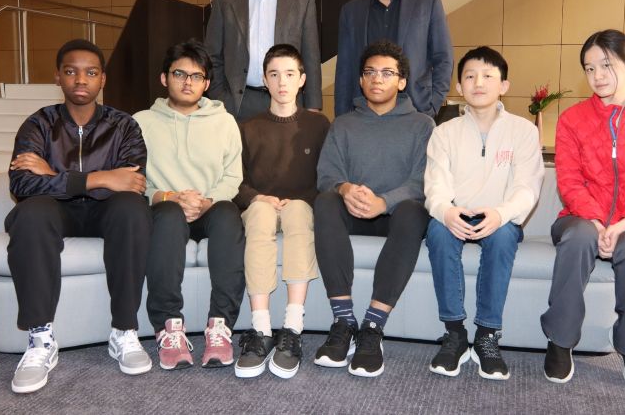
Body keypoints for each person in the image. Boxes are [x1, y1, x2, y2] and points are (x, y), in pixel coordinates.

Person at [7, 39, 152, 393]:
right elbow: (22, 183)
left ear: (103, 79)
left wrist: (53, 174)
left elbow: (131, 183)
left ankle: (124, 331)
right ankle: (40, 339)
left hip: (107, 212)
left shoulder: (124, 126)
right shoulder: (38, 124)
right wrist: (98, 179)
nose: (81, 80)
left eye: (91, 72)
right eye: (71, 71)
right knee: (31, 212)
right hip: (55, 211)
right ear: (58, 77)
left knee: (132, 208)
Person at [540, 29, 625, 389]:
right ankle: (560, 340)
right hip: (579, 217)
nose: (597, 76)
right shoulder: (572, 120)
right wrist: (599, 223)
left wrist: (624, 224)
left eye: (606, 65)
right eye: (589, 68)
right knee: (579, 237)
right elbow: (569, 182)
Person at [313, 40, 434, 377]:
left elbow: (423, 180)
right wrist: (345, 188)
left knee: (413, 211)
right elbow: (327, 175)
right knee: (325, 201)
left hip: (396, 219)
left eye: (386, 73)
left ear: (402, 81)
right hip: (352, 214)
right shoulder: (343, 124)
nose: (377, 79)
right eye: (369, 72)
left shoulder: (422, 125)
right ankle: (343, 321)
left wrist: (384, 201)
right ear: (361, 80)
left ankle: (373, 327)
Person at [424, 47, 544, 381]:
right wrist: (446, 211)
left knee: (504, 236)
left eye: (488, 76)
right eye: (470, 76)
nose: (479, 83)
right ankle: (454, 334)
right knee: (437, 231)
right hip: (457, 213)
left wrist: (501, 213)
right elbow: (435, 185)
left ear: (504, 85)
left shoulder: (523, 131)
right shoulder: (444, 132)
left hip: (500, 217)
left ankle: (487, 336)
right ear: (459, 87)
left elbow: (527, 187)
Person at [133, 39, 245, 371]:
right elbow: (133, 179)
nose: (187, 82)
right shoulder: (140, 122)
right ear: (164, 78)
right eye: (179, 74)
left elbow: (233, 176)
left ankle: (220, 327)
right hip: (165, 209)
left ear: (206, 84)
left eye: (197, 76)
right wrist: (168, 197)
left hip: (209, 208)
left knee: (229, 213)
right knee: (168, 215)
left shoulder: (224, 122)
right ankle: (169, 327)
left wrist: (206, 202)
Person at [232, 44, 330, 379]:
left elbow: (327, 176)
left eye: (289, 74)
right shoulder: (247, 126)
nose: (282, 82)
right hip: (260, 204)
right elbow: (235, 180)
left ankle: (292, 328)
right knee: (260, 215)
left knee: (299, 213)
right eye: (274, 74)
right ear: (264, 80)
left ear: (302, 79)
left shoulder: (318, 125)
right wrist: (258, 197)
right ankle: (261, 330)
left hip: (300, 205)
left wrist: (300, 199)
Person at [204, 0, 322, 121]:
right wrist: (220, 98)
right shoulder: (224, 0)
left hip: (287, 103)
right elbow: (212, 55)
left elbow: (311, 57)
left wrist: (312, 106)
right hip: (237, 105)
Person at [333, 0, 453, 118]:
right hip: (363, 116)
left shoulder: (428, 3)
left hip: (416, 112)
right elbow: (344, 70)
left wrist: (432, 106)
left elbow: (443, 58)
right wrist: (342, 118)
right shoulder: (351, 11)